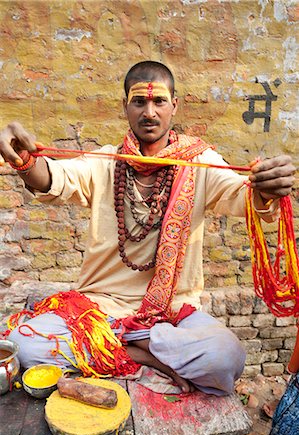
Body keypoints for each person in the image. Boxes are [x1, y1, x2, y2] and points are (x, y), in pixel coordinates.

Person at [0, 61, 296, 396]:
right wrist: (23, 161)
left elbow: (242, 195)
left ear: (174, 106)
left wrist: (267, 186)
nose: (149, 112)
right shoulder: (105, 162)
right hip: (99, 311)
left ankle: (125, 349)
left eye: (159, 102)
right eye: (139, 102)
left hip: (172, 317)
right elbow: (53, 178)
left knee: (226, 357)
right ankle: (144, 357)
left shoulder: (200, 162)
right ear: (125, 106)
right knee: (21, 345)